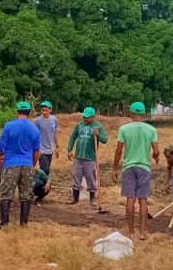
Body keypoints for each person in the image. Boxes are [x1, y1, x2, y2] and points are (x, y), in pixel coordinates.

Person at [112, 102, 159, 240]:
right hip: (144, 167)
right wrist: (155, 157)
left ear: (131, 113)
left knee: (130, 200)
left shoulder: (124, 129)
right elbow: (156, 151)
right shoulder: (151, 130)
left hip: (129, 167)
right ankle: (143, 232)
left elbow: (119, 150)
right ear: (143, 114)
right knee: (143, 200)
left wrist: (115, 167)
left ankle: (131, 232)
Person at [0, 102, 41, 228]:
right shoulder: (35, 129)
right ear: (29, 113)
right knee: (26, 194)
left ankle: (4, 224)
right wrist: (33, 164)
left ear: (17, 112)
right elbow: (36, 151)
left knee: (6, 194)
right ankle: (23, 224)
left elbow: (0, 146)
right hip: (27, 164)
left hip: (10, 164)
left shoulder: (9, 126)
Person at [67, 107, 108, 207]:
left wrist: (98, 135)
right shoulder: (79, 125)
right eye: (84, 117)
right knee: (76, 175)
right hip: (78, 156)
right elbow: (73, 137)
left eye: (87, 117)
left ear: (93, 117)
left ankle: (92, 199)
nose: (84, 119)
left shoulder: (98, 126)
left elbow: (105, 140)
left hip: (90, 158)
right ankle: (75, 199)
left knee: (90, 177)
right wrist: (69, 150)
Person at [34, 101, 59, 174]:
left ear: (50, 110)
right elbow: (35, 136)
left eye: (46, 110)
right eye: (42, 110)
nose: (44, 112)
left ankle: (42, 183)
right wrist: (37, 149)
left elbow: (55, 133)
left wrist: (57, 147)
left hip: (50, 149)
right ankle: (44, 183)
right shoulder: (37, 120)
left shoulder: (54, 119)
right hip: (42, 150)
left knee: (45, 170)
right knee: (46, 170)